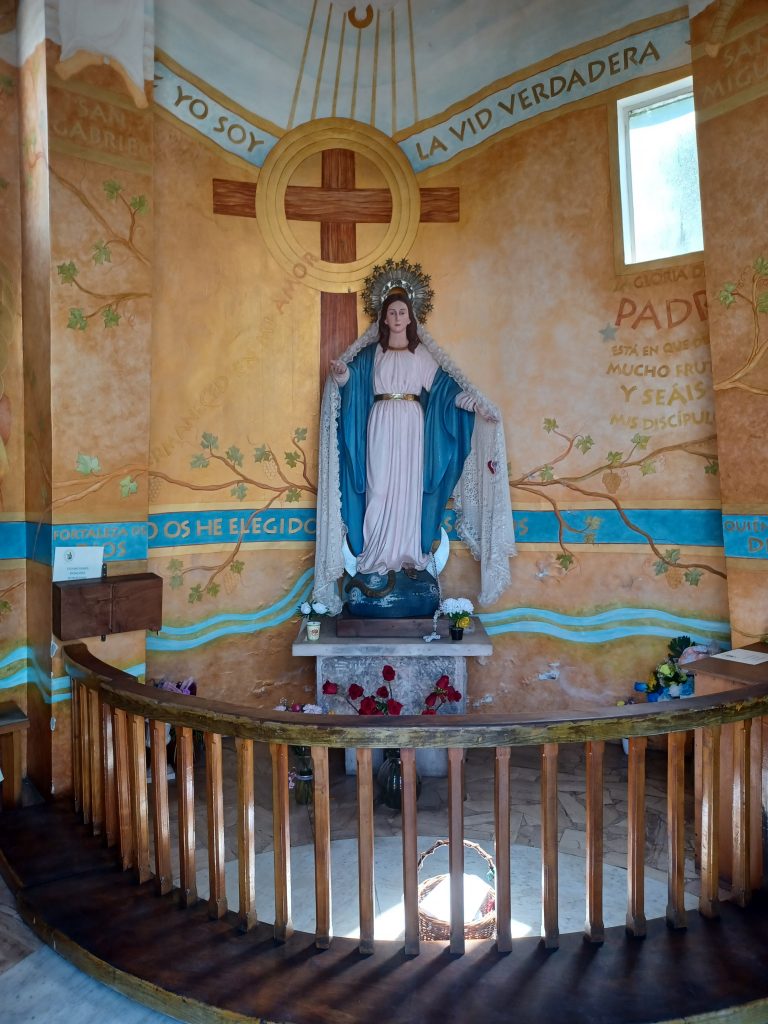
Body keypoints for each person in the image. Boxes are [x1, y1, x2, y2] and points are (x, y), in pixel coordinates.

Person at [313, 288, 515, 614]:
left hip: (411, 426)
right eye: (391, 313)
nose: (396, 318)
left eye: (401, 313)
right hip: (379, 422)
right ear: (383, 317)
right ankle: (374, 557)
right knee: (377, 491)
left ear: (410, 317)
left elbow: (445, 392)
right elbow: (354, 380)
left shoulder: (420, 354)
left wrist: (472, 403)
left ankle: (406, 556)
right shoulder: (372, 353)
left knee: (407, 491)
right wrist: (342, 375)